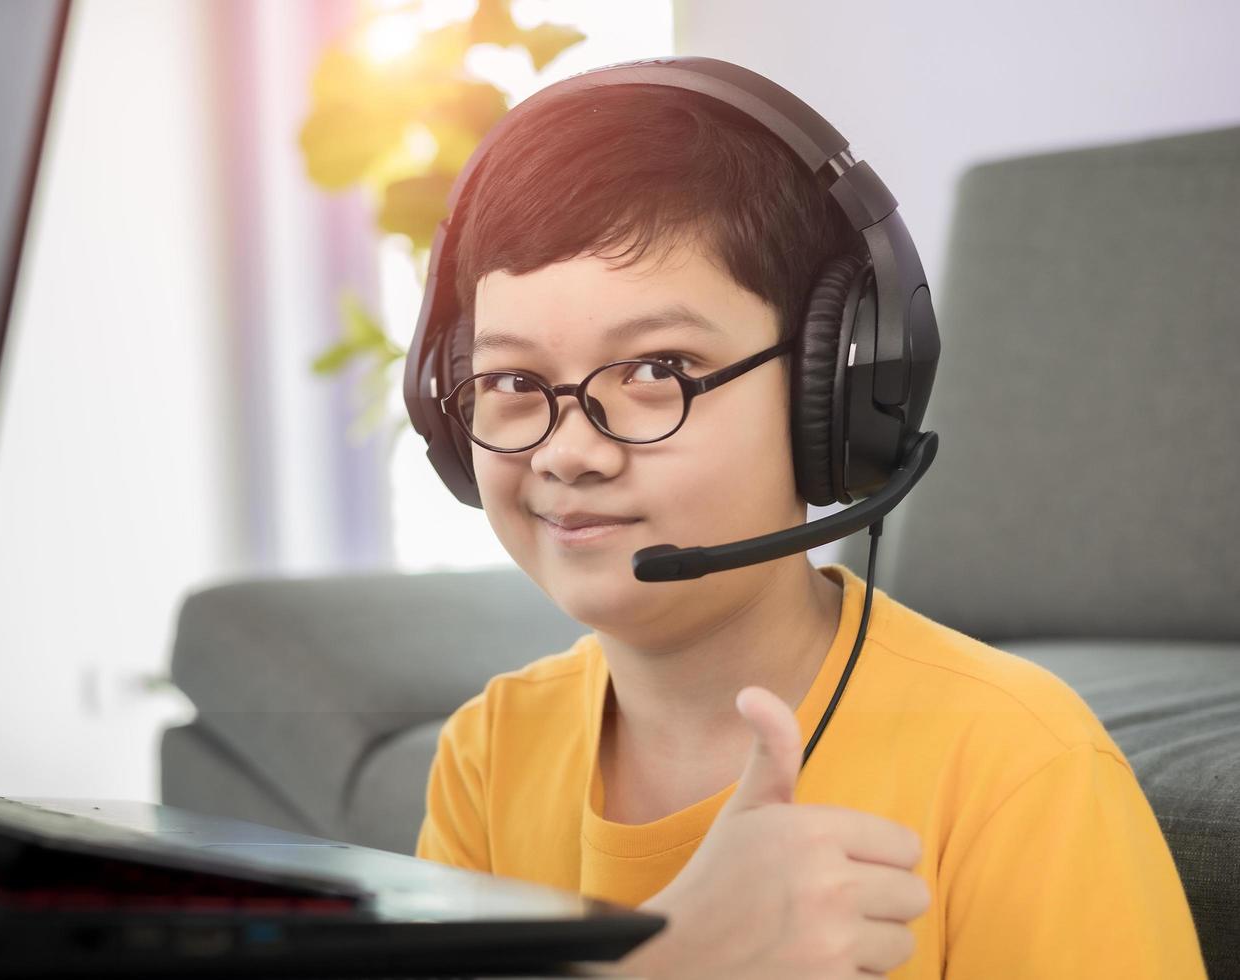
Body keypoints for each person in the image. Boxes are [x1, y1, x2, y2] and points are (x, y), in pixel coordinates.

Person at [408, 60, 1205, 978]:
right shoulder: (490, 751)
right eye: (511, 383)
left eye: (657, 371)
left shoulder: (1017, 766)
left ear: (836, 387)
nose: (568, 452)